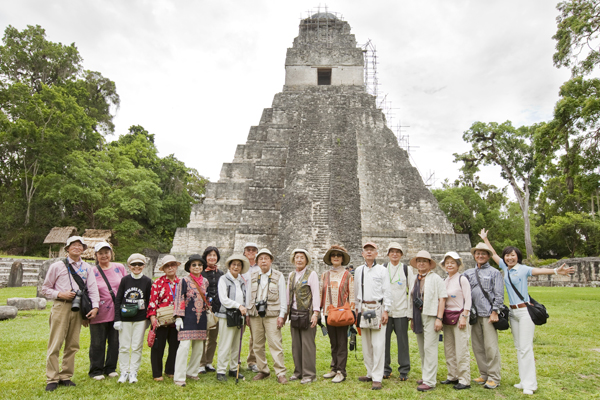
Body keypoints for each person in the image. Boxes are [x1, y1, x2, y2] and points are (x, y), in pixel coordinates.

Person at [480, 229, 575, 395]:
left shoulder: (522, 269)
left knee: (526, 348)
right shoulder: (505, 268)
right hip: (513, 312)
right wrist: (485, 239)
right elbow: (493, 253)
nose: (509, 258)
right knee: (518, 347)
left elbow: (538, 271)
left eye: (513, 255)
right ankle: (523, 381)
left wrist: (555, 271)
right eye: (507, 255)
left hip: (525, 312)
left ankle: (530, 384)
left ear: (518, 256)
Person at [42, 236, 100, 392]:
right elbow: (45, 289)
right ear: (67, 248)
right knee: (55, 343)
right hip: (61, 305)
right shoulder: (57, 266)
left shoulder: (87, 268)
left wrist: (94, 307)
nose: (76, 247)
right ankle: (52, 378)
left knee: (73, 344)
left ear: (83, 249)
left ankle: (65, 375)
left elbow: (92, 289)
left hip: (78, 307)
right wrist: (60, 294)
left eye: (79, 245)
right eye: (73, 245)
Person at [463, 241, 504, 389]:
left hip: (488, 315)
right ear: (474, 255)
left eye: (483, 253)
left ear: (488, 256)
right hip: (474, 315)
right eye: (478, 253)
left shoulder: (494, 273)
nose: (480, 256)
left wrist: (495, 311)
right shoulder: (468, 273)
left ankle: (494, 376)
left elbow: (499, 294)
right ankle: (484, 374)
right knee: (478, 347)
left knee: (491, 347)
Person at [246, 248, 289, 384]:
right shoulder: (252, 276)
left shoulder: (278, 276)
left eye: (266, 258)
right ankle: (263, 370)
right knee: (257, 345)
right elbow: (248, 297)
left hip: (272, 314)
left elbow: (283, 297)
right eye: (260, 258)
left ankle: (280, 372)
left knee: (275, 344)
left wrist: (282, 315)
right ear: (257, 261)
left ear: (271, 260)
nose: (263, 261)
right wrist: (248, 313)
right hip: (255, 315)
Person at [407, 250, 447, 392]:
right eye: (419, 261)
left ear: (430, 264)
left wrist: (439, 318)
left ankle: (430, 380)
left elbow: (442, 298)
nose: (421, 263)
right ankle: (426, 375)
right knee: (422, 347)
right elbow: (411, 298)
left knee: (430, 348)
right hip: (418, 315)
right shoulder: (414, 278)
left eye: (424, 261)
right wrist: (411, 318)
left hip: (430, 314)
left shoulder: (435, 278)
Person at [354, 242, 391, 391]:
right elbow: (356, 291)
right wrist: (356, 310)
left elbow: (387, 291)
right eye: (366, 250)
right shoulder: (359, 270)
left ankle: (377, 377)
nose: (369, 252)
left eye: (372, 250)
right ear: (362, 254)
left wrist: (386, 310)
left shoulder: (382, 270)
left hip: (377, 306)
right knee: (366, 344)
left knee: (378, 344)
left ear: (376, 253)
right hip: (363, 307)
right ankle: (369, 372)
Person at [89, 242, 127, 380]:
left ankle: (110, 368)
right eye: (101, 253)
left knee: (115, 341)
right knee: (97, 343)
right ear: (96, 255)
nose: (104, 255)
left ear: (111, 253)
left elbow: (125, 286)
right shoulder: (92, 271)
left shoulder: (119, 267)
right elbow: (88, 291)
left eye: (106, 252)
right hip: (98, 312)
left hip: (117, 312)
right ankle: (96, 370)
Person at [113, 253, 152, 384]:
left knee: (136, 346)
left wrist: (147, 319)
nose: (137, 267)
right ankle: (124, 371)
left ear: (144, 265)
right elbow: (118, 299)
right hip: (125, 317)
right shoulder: (125, 280)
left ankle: (133, 371)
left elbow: (149, 300)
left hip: (140, 318)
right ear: (129, 266)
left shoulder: (147, 281)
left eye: (139, 264)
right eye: (134, 264)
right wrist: (117, 318)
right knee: (123, 346)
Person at [173, 255, 209, 387]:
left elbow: (207, 297)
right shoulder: (184, 280)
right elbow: (179, 298)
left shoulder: (205, 281)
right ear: (189, 267)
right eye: (194, 265)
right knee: (184, 347)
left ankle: (192, 372)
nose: (197, 267)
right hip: (187, 317)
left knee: (199, 347)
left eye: (199, 265)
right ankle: (179, 376)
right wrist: (178, 316)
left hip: (201, 317)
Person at [320, 244, 354, 383]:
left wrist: (352, 312)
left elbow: (352, 295)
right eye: (333, 255)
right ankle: (334, 367)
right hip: (329, 313)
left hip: (342, 313)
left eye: (338, 255)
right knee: (333, 342)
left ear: (342, 258)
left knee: (341, 342)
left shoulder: (348, 275)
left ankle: (341, 370)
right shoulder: (324, 275)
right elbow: (321, 294)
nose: (335, 257)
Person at [287, 248, 320, 384]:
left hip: (307, 313)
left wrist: (316, 313)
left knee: (307, 345)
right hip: (294, 313)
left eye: (302, 257)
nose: (299, 260)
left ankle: (309, 374)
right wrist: (285, 313)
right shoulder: (291, 275)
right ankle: (298, 372)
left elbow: (316, 294)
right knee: (296, 345)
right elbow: (288, 296)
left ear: (306, 260)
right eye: (297, 257)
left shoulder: (311, 274)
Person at [147, 255, 182, 381]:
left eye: (173, 265)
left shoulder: (181, 283)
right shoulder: (158, 282)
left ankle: (170, 370)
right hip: (161, 320)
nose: (170, 268)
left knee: (175, 346)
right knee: (158, 347)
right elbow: (152, 302)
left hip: (176, 320)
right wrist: (152, 319)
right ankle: (157, 373)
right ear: (163, 269)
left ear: (176, 267)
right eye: (167, 266)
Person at [440, 251, 472, 390]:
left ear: (458, 265)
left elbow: (468, 299)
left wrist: (464, 316)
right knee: (449, 348)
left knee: (461, 349)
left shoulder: (462, 279)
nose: (449, 265)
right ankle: (452, 375)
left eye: (452, 263)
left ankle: (464, 379)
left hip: (460, 316)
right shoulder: (445, 280)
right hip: (448, 317)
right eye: (447, 263)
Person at [216, 254, 250, 382]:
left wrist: (244, 308)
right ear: (229, 266)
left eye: (239, 265)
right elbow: (224, 299)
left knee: (237, 343)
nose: (236, 267)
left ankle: (233, 368)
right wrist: (238, 305)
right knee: (225, 343)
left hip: (239, 315)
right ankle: (220, 370)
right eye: (233, 264)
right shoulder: (223, 279)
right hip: (227, 315)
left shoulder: (241, 280)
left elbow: (245, 297)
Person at [382, 242, 413, 381]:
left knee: (403, 342)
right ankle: (385, 368)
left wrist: (410, 313)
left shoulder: (407, 269)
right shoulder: (383, 269)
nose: (394, 254)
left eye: (397, 251)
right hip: (386, 312)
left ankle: (404, 370)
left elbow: (411, 292)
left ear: (401, 254)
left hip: (401, 311)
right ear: (388, 254)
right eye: (392, 251)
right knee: (384, 342)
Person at [199, 246, 223, 374]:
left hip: (217, 309)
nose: (212, 257)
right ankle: (201, 363)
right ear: (205, 257)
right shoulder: (201, 272)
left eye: (214, 255)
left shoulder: (221, 274)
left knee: (213, 337)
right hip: (203, 308)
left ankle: (209, 361)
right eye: (210, 255)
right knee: (202, 336)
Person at [241, 242, 260, 373]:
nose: (251, 252)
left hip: (255, 305)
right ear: (244, 252)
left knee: (256, 336)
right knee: (237, 335)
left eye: (253, 250)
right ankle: (234, 361)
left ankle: (252, 361)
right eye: (248, 250)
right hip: (240, 305)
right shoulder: (239, 266)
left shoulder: (261, 267)